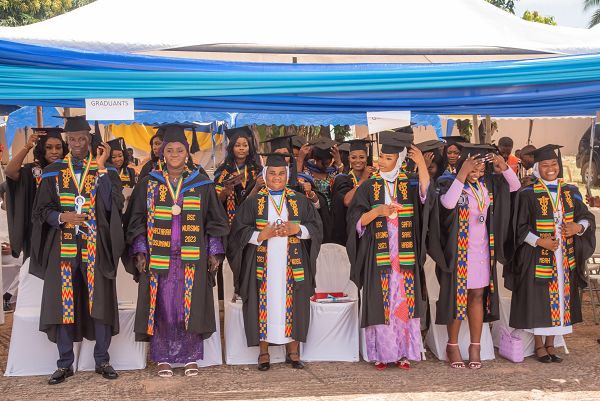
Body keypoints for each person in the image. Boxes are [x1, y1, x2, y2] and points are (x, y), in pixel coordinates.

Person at [124, 125, 229, 377]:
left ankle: (190, 356)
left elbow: (215, 220)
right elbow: (136, 219)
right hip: (158, 256)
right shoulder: (149, 183)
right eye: (169, 150)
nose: (174, 154)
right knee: (162, 306)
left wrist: (214, 251)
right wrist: (140, 250)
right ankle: (163, 357)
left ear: (187, 152)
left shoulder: (201, 183)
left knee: (189, 306)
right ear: (162, 152)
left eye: (179, 150)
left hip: (192, 256)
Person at [29, 115, 124, 384]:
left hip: (96, 246)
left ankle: (102, 360)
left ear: (90, 139)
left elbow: (113, 206)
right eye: (72, 139)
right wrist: (62, 217)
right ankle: (64, 364)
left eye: (82, 138)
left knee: (100, 301)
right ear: (66, 140)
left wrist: (102, 167)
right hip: (63, 247)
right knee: (63, 303)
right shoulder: (53, 171)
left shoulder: (105, 170)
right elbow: (41, 211)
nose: (78, 143)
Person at [227, 153, 323, 371]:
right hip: (263, 265)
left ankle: (293, 351)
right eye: (272, 173)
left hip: (292, 263)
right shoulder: (253, 202)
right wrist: (260, 235)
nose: (277, 177)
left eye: (281, 173)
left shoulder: (299, 200)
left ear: (287, 175)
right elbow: (237, 232)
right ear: (265, 175)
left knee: (295, 302)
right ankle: (264, 352)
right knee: (262, 303)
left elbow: (317, 228)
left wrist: (298, 229)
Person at [428, 143, 520, 369]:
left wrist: (503, 166)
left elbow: (515, 186)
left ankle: (475, 346)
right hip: (460, 251)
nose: (476, 174)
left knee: (478, 296)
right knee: (458, 298)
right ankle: (452, 346)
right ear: (463, 165)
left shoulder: (487, 185)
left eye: (480, 170)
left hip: (482, 251)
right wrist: (462, 173)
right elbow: (447, 204)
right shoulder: (450, 183)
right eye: (472, 169)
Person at [347, 129, 432, 371]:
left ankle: (404, 352)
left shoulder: (409, 183)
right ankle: (382, 353)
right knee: (382, 302)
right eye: (381, 157)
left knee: (403, 301)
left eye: (388, 158)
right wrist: (376, 212)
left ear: (400, 160)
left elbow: (427, 197)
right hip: (379, 253)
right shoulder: (369, 186)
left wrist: (421, 165)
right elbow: (354, 220)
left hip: (405, 253)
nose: (381, 162)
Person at [507, 144, 595, 363]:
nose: (551, 169)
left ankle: (551, 344)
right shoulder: (527, 194)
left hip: (564, 256)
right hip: (538, 256)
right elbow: (519, 228)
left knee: (560, 299)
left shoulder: (570, 191)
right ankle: (539, 345)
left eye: (554, 164)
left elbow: (587, 217)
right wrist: (539, 241)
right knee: (539, 299)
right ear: (537, 168)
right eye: (545, 165)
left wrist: (578, 227)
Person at [5, 127, 68, 261]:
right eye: (49, 147)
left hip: (62, 225)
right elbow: (10, 172)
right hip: (36, 229)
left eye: (58, 147)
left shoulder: (69, 169)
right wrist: (27, 146)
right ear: (42, 149)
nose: (54, 151)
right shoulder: (34, 170)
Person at [214, 126, 263, 225]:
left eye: (245, 145)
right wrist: (224, 192)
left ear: (249, 149)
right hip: (229, 220)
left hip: (252, 218)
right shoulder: (223, 172)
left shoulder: (257, 170)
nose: (241, 148)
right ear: (231, 148)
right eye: (237, 145)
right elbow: (215, 202)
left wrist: (257, 187)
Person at [331, 139, 375, 246]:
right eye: (353, 157)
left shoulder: (374, 179)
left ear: (367, 158)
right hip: (350, 231)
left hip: (371, 229)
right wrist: (363, 179)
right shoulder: (343, 179)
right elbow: (347, 201)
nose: (358, 161)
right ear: (349, 159)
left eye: (362, 157)